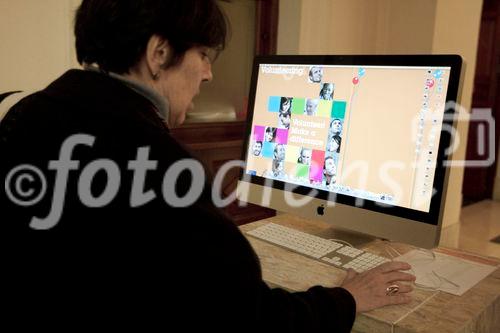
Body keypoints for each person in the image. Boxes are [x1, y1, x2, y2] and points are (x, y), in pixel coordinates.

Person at [0, 1, 415, 331]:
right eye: (202, 54)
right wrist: (349, 298)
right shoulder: (160, 167)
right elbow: (251, 320)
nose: (208, 73)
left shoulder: (24, 114)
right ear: (158, 53)